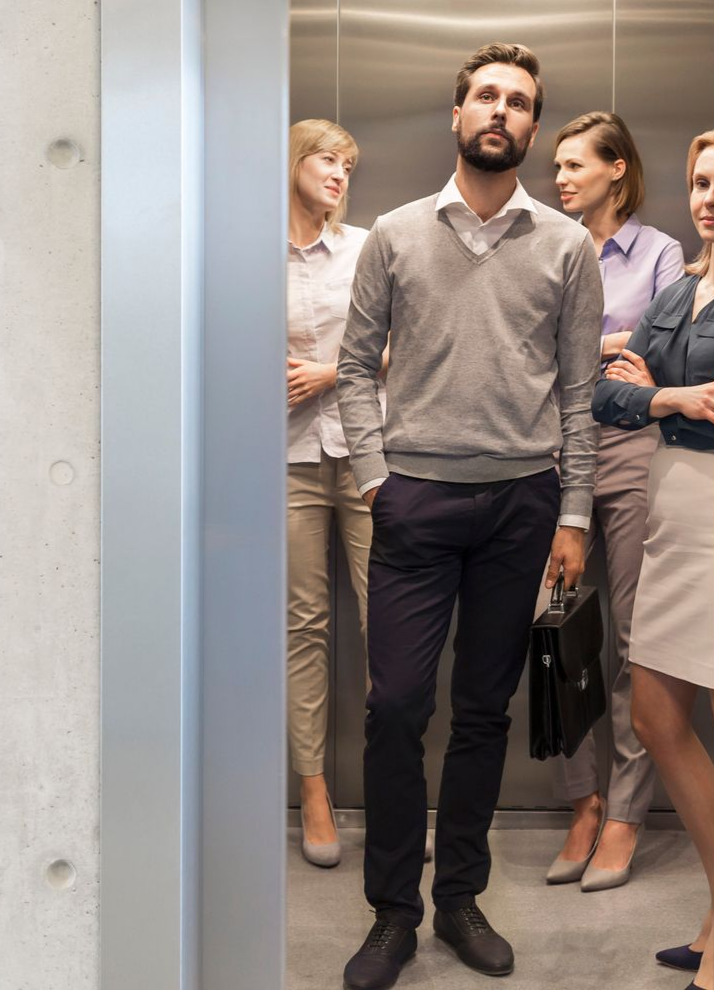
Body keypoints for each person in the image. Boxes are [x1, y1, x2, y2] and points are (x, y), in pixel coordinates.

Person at [336, 43, 604, 990]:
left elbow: (578, 390)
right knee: (397, 706)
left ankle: (456, 900)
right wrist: (376, 480)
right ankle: (391, 916)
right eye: (485, 96)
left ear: (532, 127)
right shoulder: (396, 236)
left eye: (519, 102)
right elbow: (357, 365)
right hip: (413, 502)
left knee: (484, 712)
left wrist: (572, 513)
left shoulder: (566, 246)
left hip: (522, 507)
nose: (501, 111)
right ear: (457, 116)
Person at [592, 128, 714, 990]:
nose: (708, 196)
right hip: (672, 512)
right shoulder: (684, 287)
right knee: (654, 714)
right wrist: (671, 397)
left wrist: (649, 392)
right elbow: (608, 390)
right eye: (699, 182)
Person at [546, 111, 684, 890]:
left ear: (616, 172)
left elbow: (656, 357)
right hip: (552, 451)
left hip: (632, 452)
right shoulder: (546, 245)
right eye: (558, 165)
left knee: (632, 634)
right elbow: (529, 345)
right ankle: (583, 801)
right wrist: (606, 347)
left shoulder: (662, 252)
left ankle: (628, 811)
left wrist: (578, 349)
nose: (560, 177)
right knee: (554, 630)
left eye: (575, 165)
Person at [285, 119, 375, 869]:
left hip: (365, 455)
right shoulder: (250, 254)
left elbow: (406, 337)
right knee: (304, 625)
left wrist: (334, 371)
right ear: (292, 163)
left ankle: (393, 785)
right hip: (283, 459)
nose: (341, 174)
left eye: (348, 164)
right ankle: (314, 793)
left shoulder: (366, 246)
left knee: (392, 621)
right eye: (328, 159)